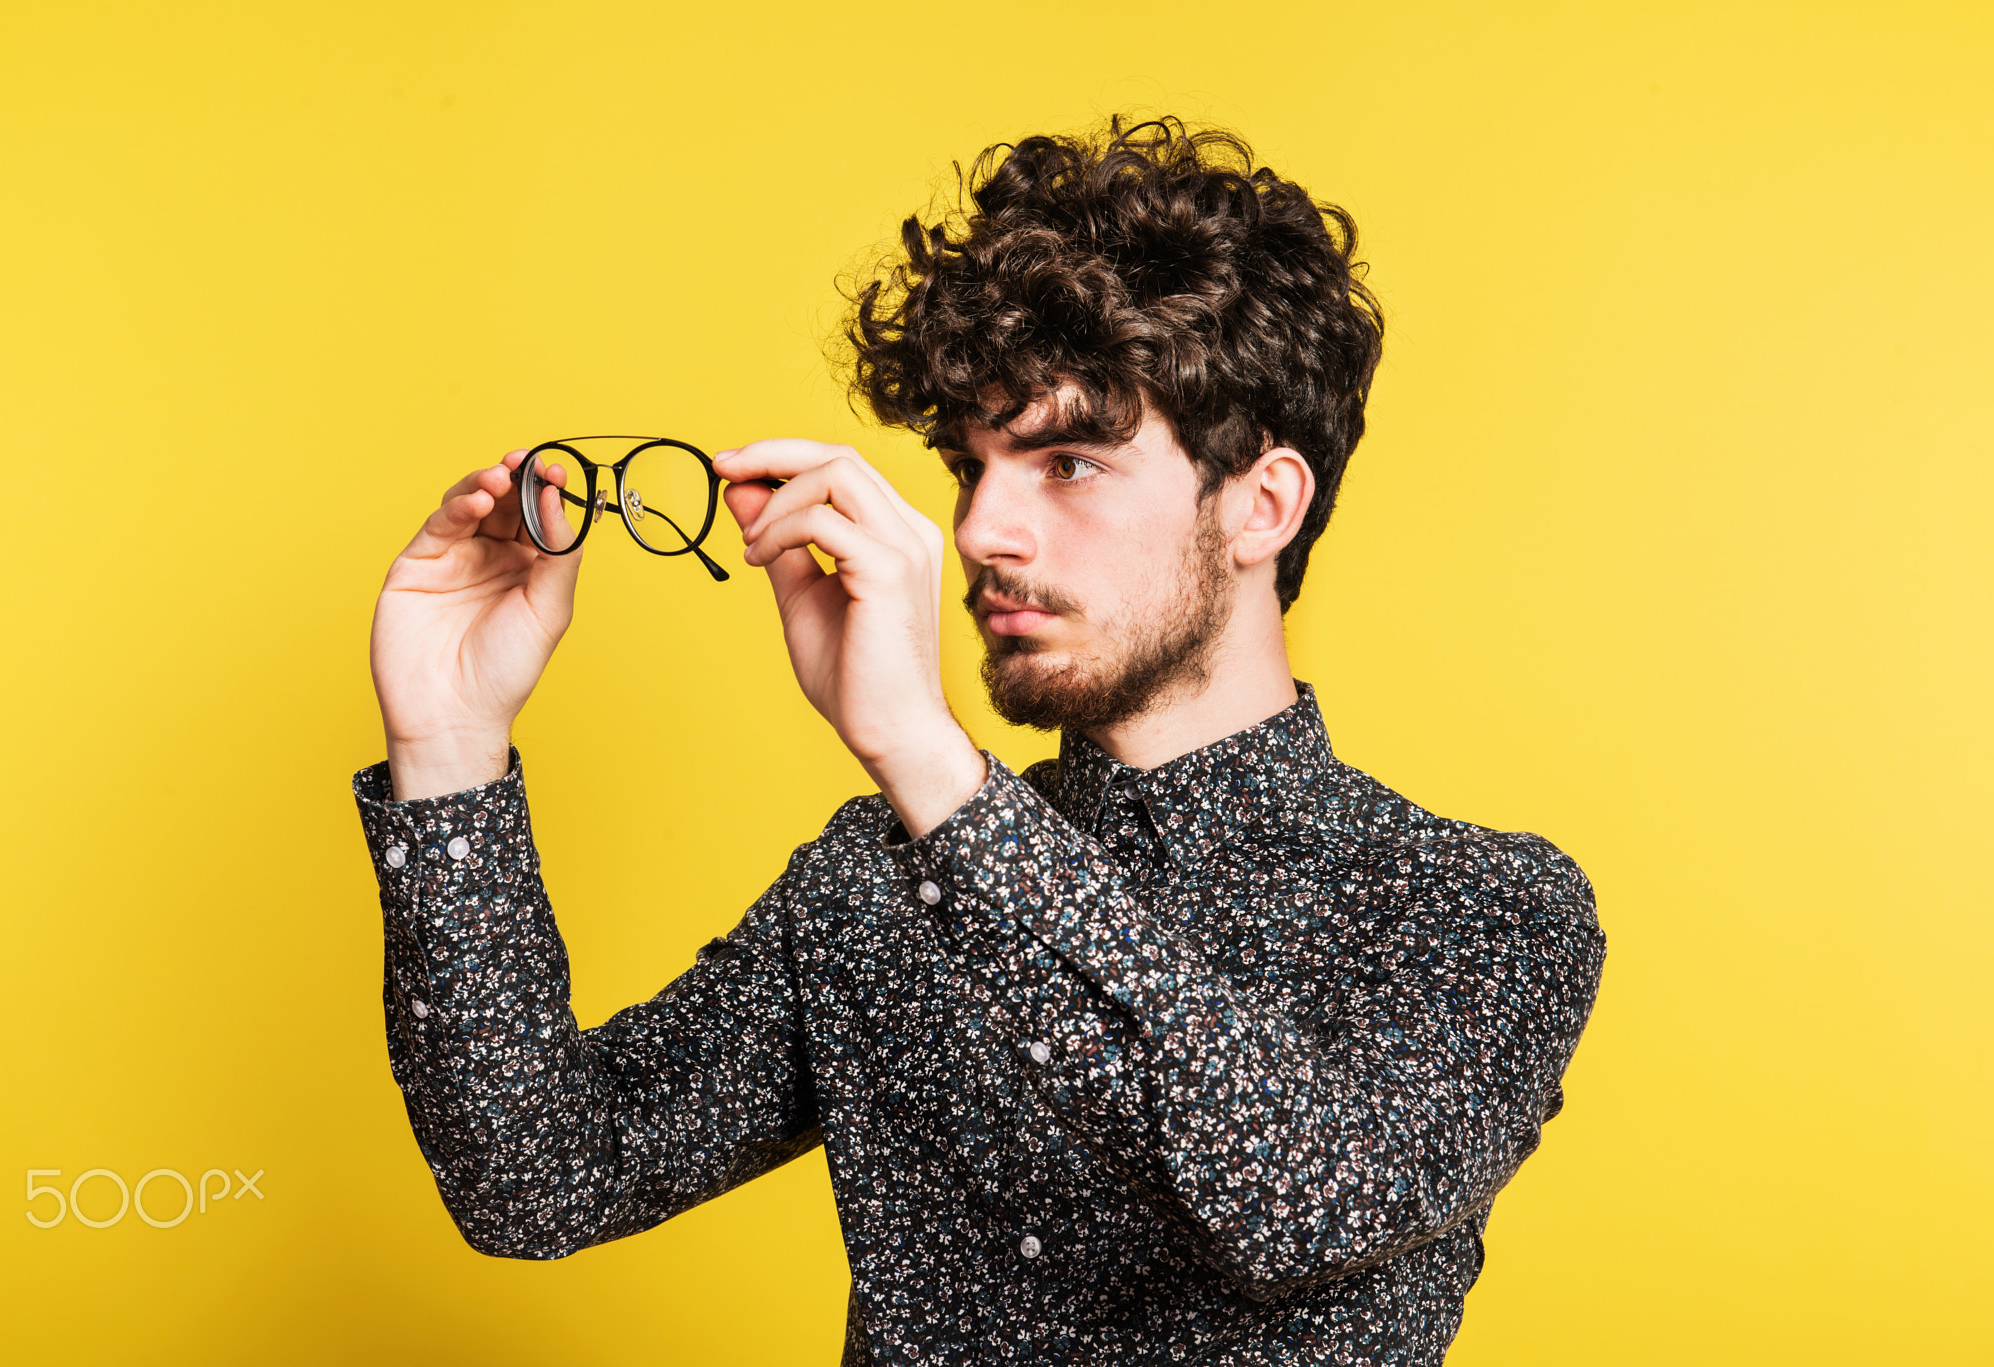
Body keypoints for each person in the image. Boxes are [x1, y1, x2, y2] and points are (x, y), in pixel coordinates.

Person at [355, 117, 1604, 1365]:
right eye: (968, 465)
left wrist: (928, 761)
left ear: (1260, 504)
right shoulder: (876, 874)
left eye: (1065, 461)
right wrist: (450, 745)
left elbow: (1301, 1202)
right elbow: (541, 1180)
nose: (979, 531)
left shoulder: (1479, 906)